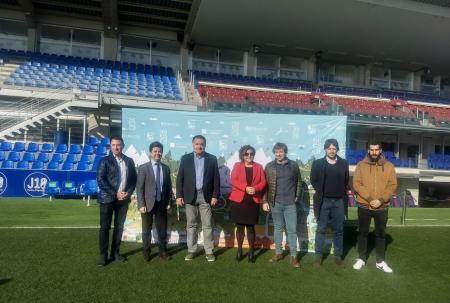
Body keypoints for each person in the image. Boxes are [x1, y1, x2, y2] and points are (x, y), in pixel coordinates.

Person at [352, 141, 397, 273]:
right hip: (364, 205)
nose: (374, 152)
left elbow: (392, 185)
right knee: (363, 233)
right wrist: (371, 199)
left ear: (381, 150)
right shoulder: (361, 165)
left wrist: (381, 200)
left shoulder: (389, 166)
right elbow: (357, 183)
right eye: (371, 150)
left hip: (382, 206)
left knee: (381, 234)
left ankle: (380, 261)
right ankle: (361, 258)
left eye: (376, 150)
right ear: (368, 150)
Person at [176, 135, 220, 262]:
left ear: (205, 145)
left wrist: (215, 195)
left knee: (207, 225)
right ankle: (191, 250)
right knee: (191, 225)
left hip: (205, 196)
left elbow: (216, 179)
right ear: (192, 145)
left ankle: (209, 251)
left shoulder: (212, 159)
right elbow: (180, 178)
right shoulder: (185, 158)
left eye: (201, 144)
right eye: (196, 144)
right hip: (190, 195)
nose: (199, 146)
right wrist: (179, 195)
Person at [96, 136, 137, 266]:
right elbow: (100, 180)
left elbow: (133, 180)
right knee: (105, 228)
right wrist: (115, 194)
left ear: (123, 145)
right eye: (113, 145)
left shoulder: (129, 161)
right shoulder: (105, 161)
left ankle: (115, 253)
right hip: (107, 199)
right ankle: (103, 255)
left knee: (119, 228)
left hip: (123, 201)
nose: (115, 147)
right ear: (110, 146)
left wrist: (128, 193)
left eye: (118, 145)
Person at [262, 142, 302, 268]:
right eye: (277, 152)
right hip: (275, 203)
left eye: (281, 151)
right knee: (278, 229)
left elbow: (299, 182)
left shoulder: (294, 165)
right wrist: (264, 201)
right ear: (274, 153)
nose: (279, 154)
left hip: (290, 203)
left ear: (285, 152)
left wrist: (297, 195)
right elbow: (265, 185)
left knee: (292, 230)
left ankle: (294, 256)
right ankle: (278, 253)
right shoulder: (269, 167)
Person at [310, 139, 349, 267]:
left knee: (338, 230)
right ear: (325, 149)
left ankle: (338, 256)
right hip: (323, 201)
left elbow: (346, 181)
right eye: (329, 148)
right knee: (321, 229)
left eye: (334, 148)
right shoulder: (317, 163)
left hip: (339, 202)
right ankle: (318, 256)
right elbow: (313, 180)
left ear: (337, 149)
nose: (332, 151)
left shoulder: (343, 163)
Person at [136, 141, 174, 262]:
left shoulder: (166, 168)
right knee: (146, 230)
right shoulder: (143, 168)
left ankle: (162, 251)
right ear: (150, 152)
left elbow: (168, 187)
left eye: (159, 151)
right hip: (147, 204)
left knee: (162, 230)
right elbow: (139, 188)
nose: (157, 153)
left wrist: (168, 202)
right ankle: (146, 252)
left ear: (161, 152)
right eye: (155, 151)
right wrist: (141, 204)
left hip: (161, 204)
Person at [229, 145, 267, 263]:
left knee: (251, 227)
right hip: (239, 200)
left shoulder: (259, 167)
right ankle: (239, 251)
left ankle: (251, 252)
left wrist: (255, 188)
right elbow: (233, 180)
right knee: (240, 227)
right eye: (246, 154)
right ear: (242, 155)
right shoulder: (237, 165)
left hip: (253, 200)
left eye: (251, 153)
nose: (249, 156)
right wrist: (245, 188)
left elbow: (263, 182)